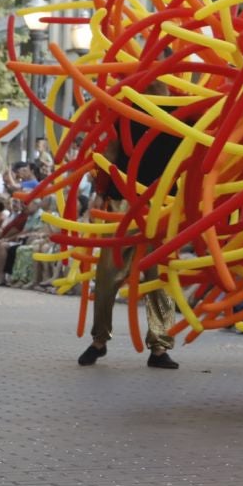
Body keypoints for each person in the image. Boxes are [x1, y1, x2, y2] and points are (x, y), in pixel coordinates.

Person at [77, 109, 180, 369]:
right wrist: (100, 191)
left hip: (163, 204)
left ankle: (159, 346)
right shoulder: (125, 109)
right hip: (123, 202)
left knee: (160, 277)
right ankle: (99, 340)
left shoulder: (183, 111)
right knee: (107, 273)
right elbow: (110, 152)